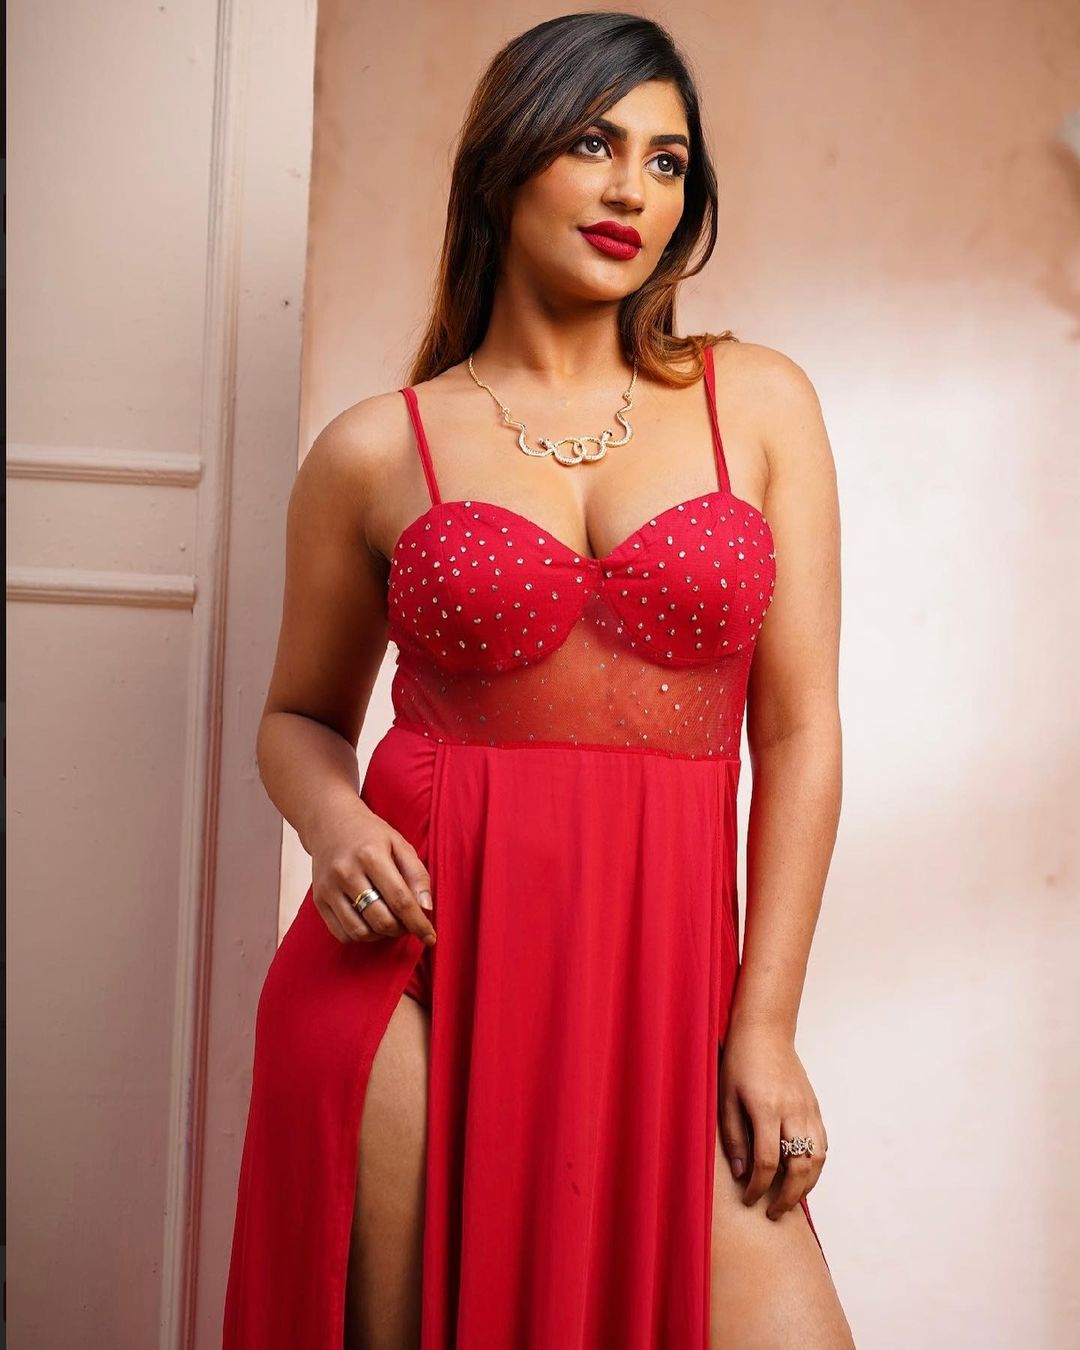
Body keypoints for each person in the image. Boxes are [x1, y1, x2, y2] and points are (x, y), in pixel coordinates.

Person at [222, 11, 853, 1350]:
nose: (633, 190)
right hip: (411, 980)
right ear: (506, 161)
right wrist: (334, 825)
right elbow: (298, 718)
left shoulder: (760, 405)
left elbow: (800, 734)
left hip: (668, 993)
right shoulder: (375, 449)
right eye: (594, 144)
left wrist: (767, 1025)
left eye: (667, 161)